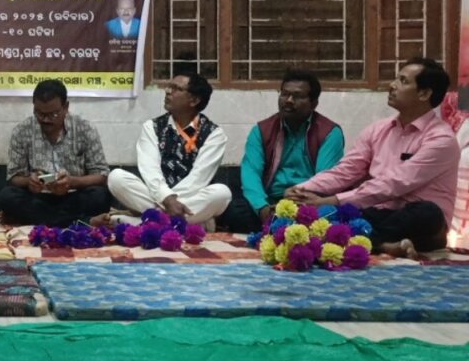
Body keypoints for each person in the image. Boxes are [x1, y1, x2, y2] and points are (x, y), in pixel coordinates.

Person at [287, 58, 458, 258]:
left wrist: (332, 201)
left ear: (424, 93)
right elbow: (346, 170)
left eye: (403, 81)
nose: (392, 85)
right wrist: (302, 189)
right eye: (396, 78)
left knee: (427, 213)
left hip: (420, 223)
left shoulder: (441, 139)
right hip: (379, 213)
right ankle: (382, 245)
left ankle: (359, 239)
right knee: (324, 216)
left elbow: (395, 183)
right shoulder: (378, 129)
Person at [220, 70, 344, 232]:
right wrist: (263, 208)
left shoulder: (330, 133)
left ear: (314, 103)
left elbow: (325, 179)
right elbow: (251, 173)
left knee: (333, 214)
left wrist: (296, 199)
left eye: (297, 96)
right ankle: (280, 225)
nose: (289, 100)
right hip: (270, 201)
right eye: (285, 94)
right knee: (235, 211)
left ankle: (284, 227)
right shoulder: (261, 130)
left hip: (308, 201)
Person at [108, 72, 231, 228]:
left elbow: (198, 179)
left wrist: (172, 201)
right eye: (169, 87)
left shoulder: (214, 133)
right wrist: (166, 198)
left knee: (222, 193)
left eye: (177, 89)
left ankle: (145, 221)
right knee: (116, 177)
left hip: (188, 197)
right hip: (159, 196)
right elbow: (150, 170)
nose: (167, 91)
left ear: (194, 100)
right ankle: (181, 222)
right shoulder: (152, 127)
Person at [0, 80, 111, 224]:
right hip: (37, 198)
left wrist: (72, 182)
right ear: (33, 106)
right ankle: (82, 221)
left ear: (66, 107)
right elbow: (13, 178)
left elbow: (101, 175)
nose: (46, 120)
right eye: (40, 113)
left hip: (73, 196)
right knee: (7, 196)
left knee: (100, 196)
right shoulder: (21, 131)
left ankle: (47, 219)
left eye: (53, 114)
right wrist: (29, 181)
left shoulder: (85, 128)